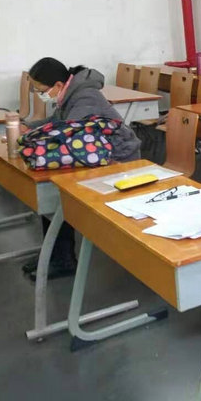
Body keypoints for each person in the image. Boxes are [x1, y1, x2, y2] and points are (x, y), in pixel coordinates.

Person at [23, 58, 142, 280]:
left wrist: (33, 138)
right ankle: (54, 254)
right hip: (96, 152)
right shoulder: (70, 93)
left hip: (118, 158)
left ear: (59, 85)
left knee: (57, 190)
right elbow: (57, 121)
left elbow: (68, 132)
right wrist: (28, 128)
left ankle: (63, 259)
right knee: (52, 188)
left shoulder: (85, 97)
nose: (40, 95)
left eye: (41, 91)